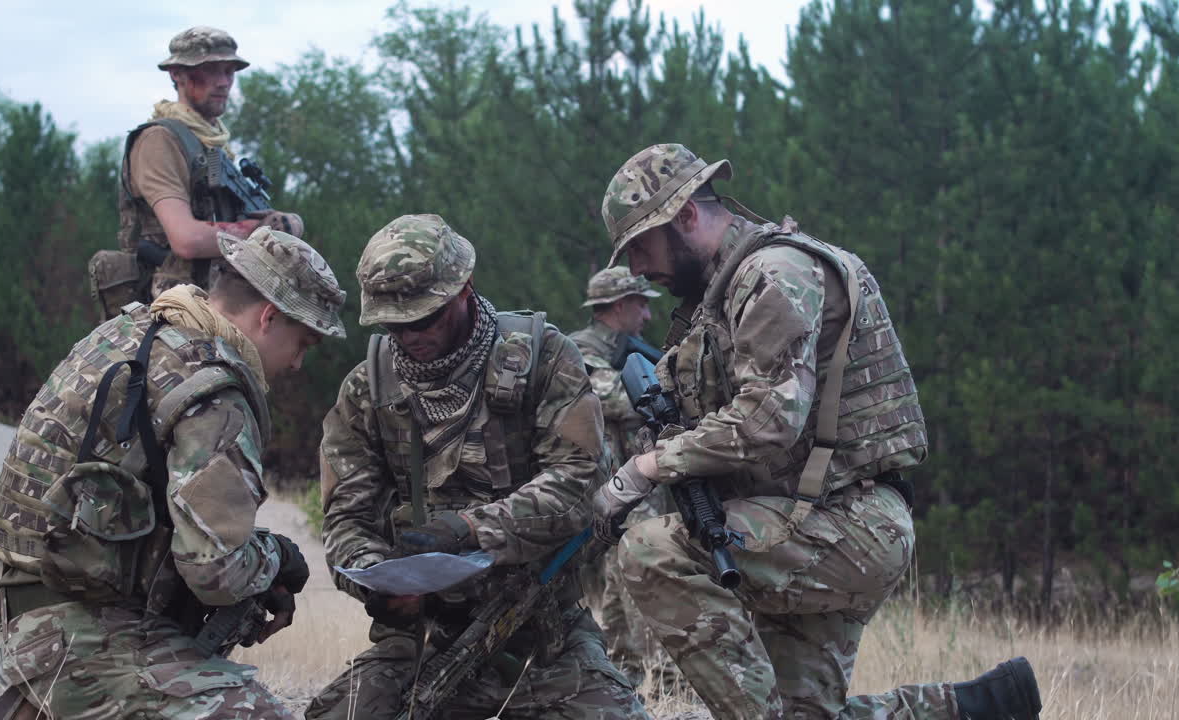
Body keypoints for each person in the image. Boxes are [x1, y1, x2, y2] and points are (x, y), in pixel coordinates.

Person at [590, 144, 1043, 720]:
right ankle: (979, 706)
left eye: (640, 247)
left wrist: (647, 469)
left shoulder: (774, 275)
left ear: (684, 217)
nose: (633, 270)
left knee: (649, 551)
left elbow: (768, 421)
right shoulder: (720, 300)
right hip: (802, 519)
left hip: (847, 524)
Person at [0, 226, 346, 719]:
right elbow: (216, 571)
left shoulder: (128, 333)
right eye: (302, 343)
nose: (298, 364)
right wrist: (276, 557)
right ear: (269, 316)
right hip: (83, 634)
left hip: (28, 610)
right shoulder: (215, 390)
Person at [306, 214, 647, 720]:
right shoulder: (368, 389)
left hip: (541, 636)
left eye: (422, 318)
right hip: (423, 643)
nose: (408, 336)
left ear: (464, 289)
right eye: (393, 324)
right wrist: (381, 584)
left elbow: (579, 484)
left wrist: (470, 529)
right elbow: (345, 521)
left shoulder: (542, 358)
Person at [101, 26, 305, 318]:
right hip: (167, 311)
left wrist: (281, 225)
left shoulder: (212, 146)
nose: (223, 82)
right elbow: (187, 239)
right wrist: (262, 230)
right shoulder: (160, 139)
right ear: (176, 74)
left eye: (229, 71)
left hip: (214, 304)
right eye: (211, 70)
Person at [569, 266, 676, 688]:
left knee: (623, 578)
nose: (647, 315)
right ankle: (656, 675)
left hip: (633, 486)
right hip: (611, 488)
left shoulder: (624, 350)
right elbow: (617, 400)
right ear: (617, 306)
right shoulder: (581, 351)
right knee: (637, 576)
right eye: (640, 303)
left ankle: (629, 671)